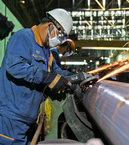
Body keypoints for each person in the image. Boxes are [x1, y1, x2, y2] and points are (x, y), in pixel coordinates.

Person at [0, 8, 75, 144]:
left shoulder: (46, 52)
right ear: (50, 26)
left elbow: (55, 72)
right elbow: (14, 67)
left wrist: (74, 77)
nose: (59, 42)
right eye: (61, 36)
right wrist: (46, 77)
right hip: (12, 118)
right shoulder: (23, 37)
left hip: (29, 119)